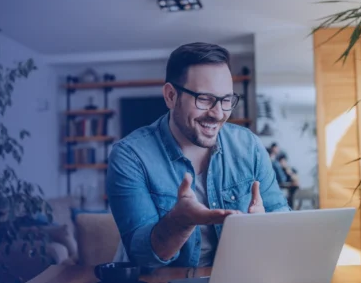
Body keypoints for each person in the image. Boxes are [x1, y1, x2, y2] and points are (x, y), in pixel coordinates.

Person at [106, 42, 290, 268]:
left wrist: (265, 226)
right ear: (171, 96)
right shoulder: (130, 156)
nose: (218, 114)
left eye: (225, 100)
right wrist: (179, 223)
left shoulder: (248, 145)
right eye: (204, 99)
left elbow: (280, 216)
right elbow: (141, 257)